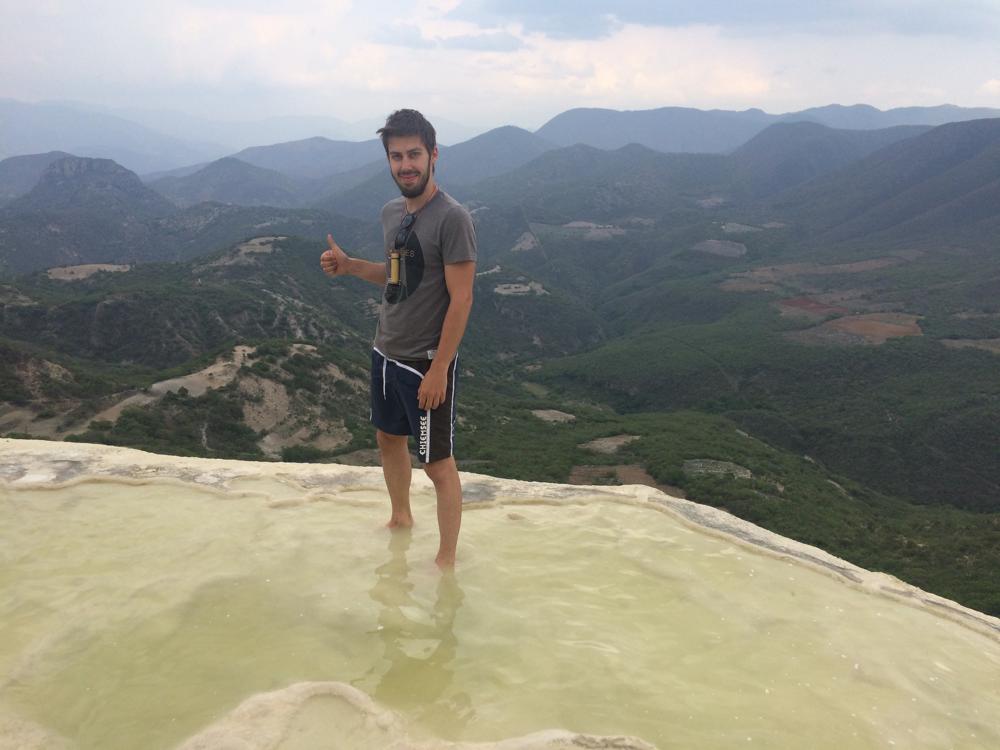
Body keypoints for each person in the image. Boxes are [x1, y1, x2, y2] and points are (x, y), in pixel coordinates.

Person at [320, 109, 477, 568]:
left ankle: (446, 559)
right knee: (388, 437)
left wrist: (440, 369)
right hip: (384, 351)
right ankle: (400, 518)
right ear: (387, 161)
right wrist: (349, 267)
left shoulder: (453, 219)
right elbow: (395, 279)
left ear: (433, 155)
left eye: (413, 154)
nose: (405, 165)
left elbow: (461, 300)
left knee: (437, 464)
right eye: (396, 156)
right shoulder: (391, 213)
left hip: (424, 362)